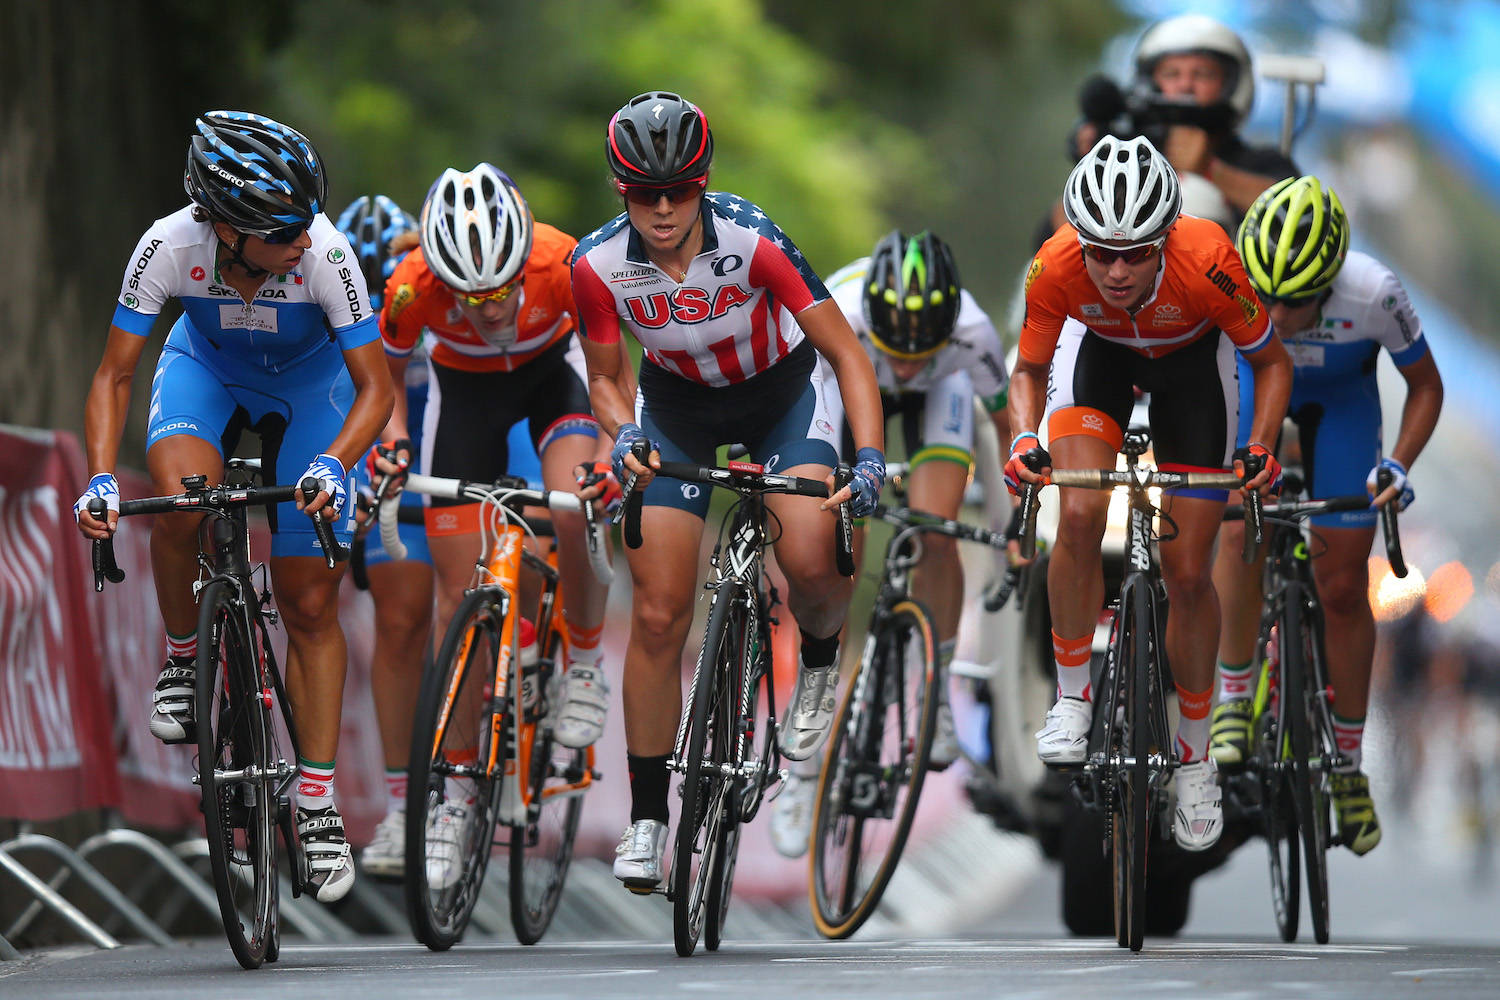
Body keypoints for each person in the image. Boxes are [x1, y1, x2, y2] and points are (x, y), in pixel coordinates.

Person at [74, 111, 394, 902]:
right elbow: (115, 374)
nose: (303, 235)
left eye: (306, 218)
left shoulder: (324, 252)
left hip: (310, 389)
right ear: (222, 226)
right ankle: (185, 660)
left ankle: (315, 803)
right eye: (282, 226)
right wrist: (101, 479)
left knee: (308, 599)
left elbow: (376, 389)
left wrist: (331, 464)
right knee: (182, 502)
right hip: (207, 372)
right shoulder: (168, 245)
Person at [570, 91, 886, 889]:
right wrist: (624, 433)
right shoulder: (596, 264)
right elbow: (606, 380)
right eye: (646, 192)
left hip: (781, 395)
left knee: (813, 554)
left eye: (680, 189)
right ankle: (647, 818)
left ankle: (817, 661)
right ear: (621, 189)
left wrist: (872, 456)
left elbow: (847, 355)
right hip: (675, 410)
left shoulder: (753, 238)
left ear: (704, 181)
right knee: (655, 611)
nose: (665, 208)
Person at [1006, 134, 1292, 852]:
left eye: (1136, 252)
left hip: (1193, 369)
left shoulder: (1210, 259)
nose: (1118, 269)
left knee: (1190, 571)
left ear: (1166, 238)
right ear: (1081, 241)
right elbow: (1027, 371)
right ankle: (1072, 698)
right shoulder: (1057, 267)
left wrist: (1258, 445)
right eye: (1102, 251)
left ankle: (1195, 758)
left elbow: (1273, 361)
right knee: (1074, 514)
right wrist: (1022, 438)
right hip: (1097, 357)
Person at [1209, 175, 1444, 856]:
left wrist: (1397, 463)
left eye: (1298, 300)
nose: (1278, 315)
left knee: (1343, 590)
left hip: (1343, 409)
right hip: (1256, 397)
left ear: (1333, 281)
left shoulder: (1375, 290)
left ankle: (1345, 764)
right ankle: (1232, 696)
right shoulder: (1228, 280)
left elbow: (1425, 385)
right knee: (1235, 524)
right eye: (1267, 297)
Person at [768, 229, 1012, 858]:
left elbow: (1009, 423)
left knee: (937, 530)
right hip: (844, 390)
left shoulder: (974, 333)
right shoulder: (840, 310)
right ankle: (800, 772)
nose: (905, 363)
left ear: (949, 329)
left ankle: (933, 684)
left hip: (943, 401)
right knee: (827, 560)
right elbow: (801, 404)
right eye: (895, 348)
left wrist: (1018, 514)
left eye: (922, 350)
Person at [377, 164, 617, 765]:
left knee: (572, 507)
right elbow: (381, 389)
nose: (489, 307)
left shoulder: (563, 262)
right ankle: (455, 792)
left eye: (502, 289)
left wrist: (614, 452)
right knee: (455, 598)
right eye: (471, 295)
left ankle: (585, 662)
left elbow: (611, 373)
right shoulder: (410, 287)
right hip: (464, 393)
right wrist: (395, 443)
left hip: (553, 380)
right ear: (440, 276)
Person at [1047, 14, 1297, 244]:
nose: (1186, 85)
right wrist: (1092, 171)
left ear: (1232, 84)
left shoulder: (1261, 162)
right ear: (1148, 81)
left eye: (1203, 74)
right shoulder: (1128, 154)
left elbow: (1301, 217)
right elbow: (1050, 241)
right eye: (1171, 73)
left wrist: (1210, 169)